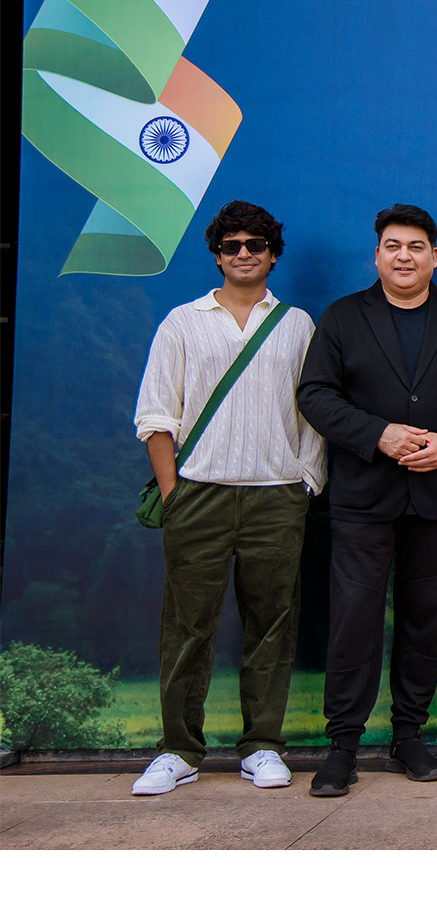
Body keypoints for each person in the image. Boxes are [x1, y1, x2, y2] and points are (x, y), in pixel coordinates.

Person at [130, 201, 326, 796]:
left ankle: (262, 745)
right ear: (217, 255)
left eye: (256, 244)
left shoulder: (296, 324)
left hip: (276, 497)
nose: (244, 253)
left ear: (273, 254)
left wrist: (305, 482)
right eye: (232, 245)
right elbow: (156, 414)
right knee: (186, 626)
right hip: (199, 495)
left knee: (272, 625)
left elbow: (312, 414)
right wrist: (173, 493)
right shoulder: (182, 322)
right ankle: (178, 750)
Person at [296, 204, 437, 797]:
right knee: (353, 621)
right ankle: (343, 747)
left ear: (435, 257)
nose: (404, 256)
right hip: (363, 499)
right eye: (393, 246)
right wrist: (377, 434)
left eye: (416, 247)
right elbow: (314, 394)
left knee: (426, 621)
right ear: (376, 255)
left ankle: (409, 735)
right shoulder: (343, 317)